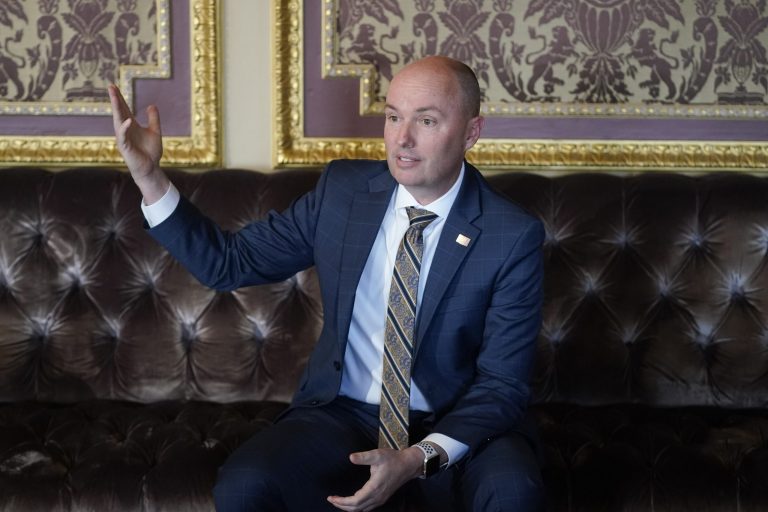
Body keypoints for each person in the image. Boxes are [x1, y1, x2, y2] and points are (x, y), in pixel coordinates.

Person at [109, 55, 545, 512]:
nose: (403, 138)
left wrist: (418, 457)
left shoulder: (509, 235)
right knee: (245, 484)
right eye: (394, 117)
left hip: (459, 421)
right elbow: (229, 263)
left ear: (472, 132)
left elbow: (501, 386)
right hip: (345, 413)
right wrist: (147, 175)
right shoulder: (344, 192)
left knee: (513, 493)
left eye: (427, 121)